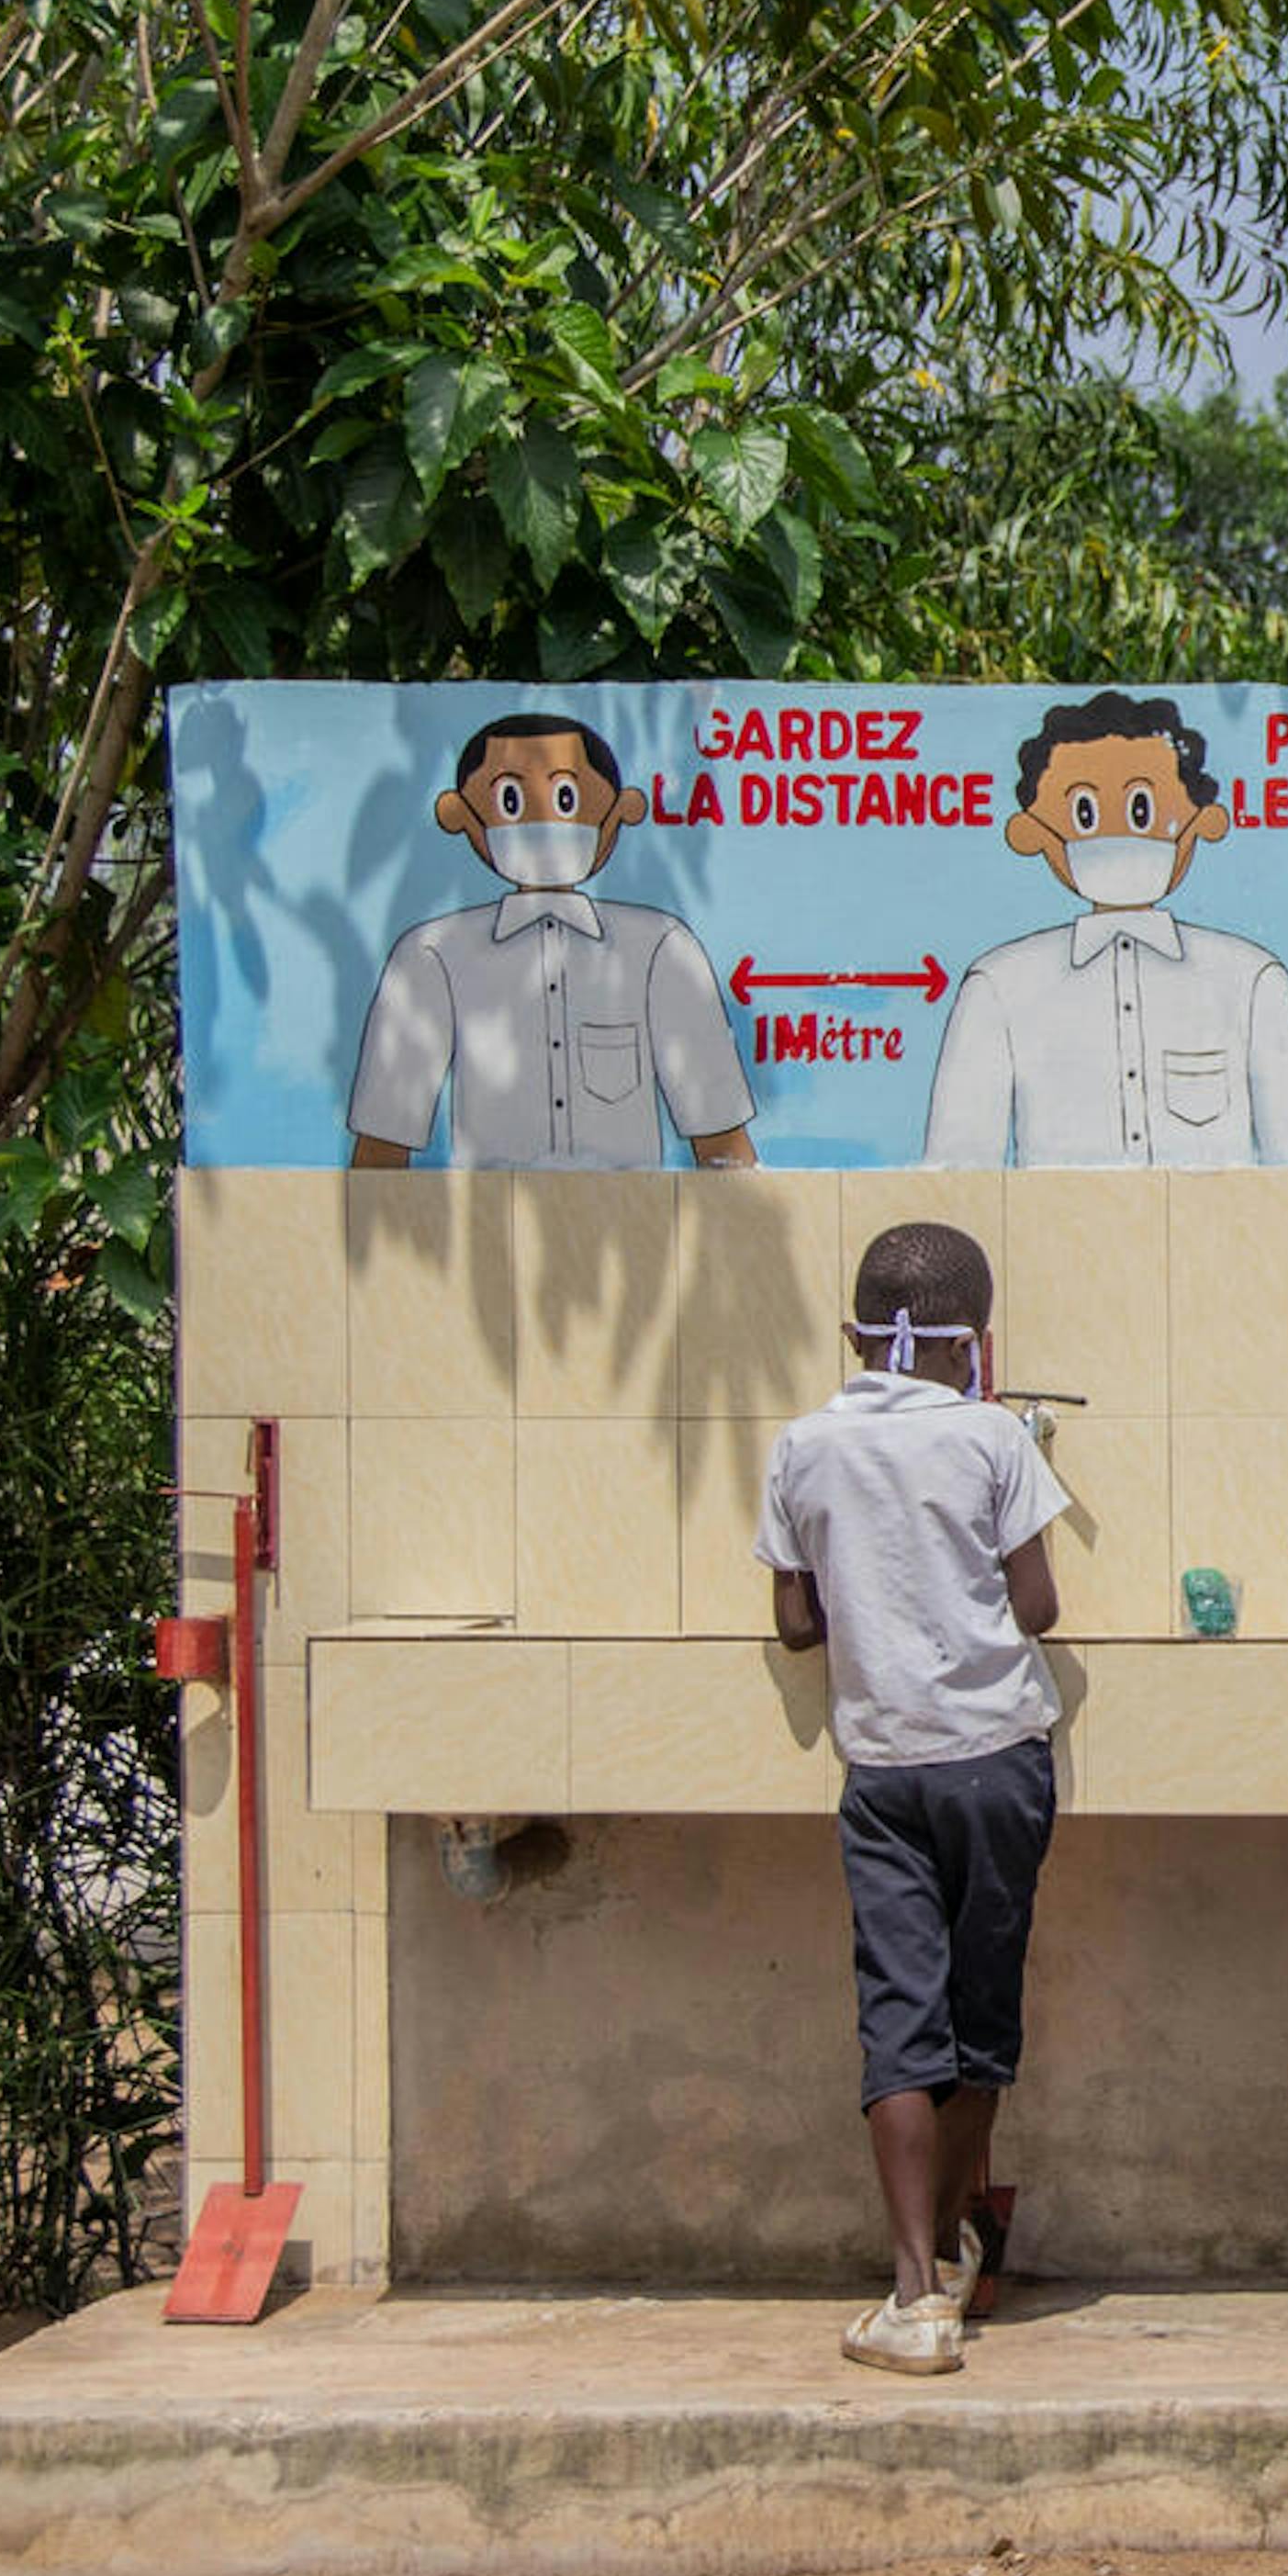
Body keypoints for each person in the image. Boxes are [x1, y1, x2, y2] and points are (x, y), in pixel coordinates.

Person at [757, 1221, 1070, 2377]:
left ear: (854, 1334)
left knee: (901, 2020)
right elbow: (1038, 1608)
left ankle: (914, 2294)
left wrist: (868, 1601)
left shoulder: (803, 1445)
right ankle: (951, 2250)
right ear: (975, 1345)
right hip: (996, 1759)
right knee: (979, 2023)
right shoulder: (994, 1438)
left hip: (884, 1768)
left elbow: (796, 1624)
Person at [921, 691, 1288, 1165]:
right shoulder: (1000, 986)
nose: (1117, 839)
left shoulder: (1252, 980)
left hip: (1217, 1241)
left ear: (1204, 822)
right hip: (1057, 1240)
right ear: (1030, 832)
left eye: (1142, 811)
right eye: (1086, 814)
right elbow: (956, 1171)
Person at [347, 712, 758, 1168]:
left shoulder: (660, 949)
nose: (543, 826)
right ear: (459, 814)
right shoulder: (431, 955)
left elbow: (722, 1141)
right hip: (485, 1229)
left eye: (566, 797)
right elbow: (382, 1145)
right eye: (511, 799)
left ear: (623, 809)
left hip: (633, 1229)